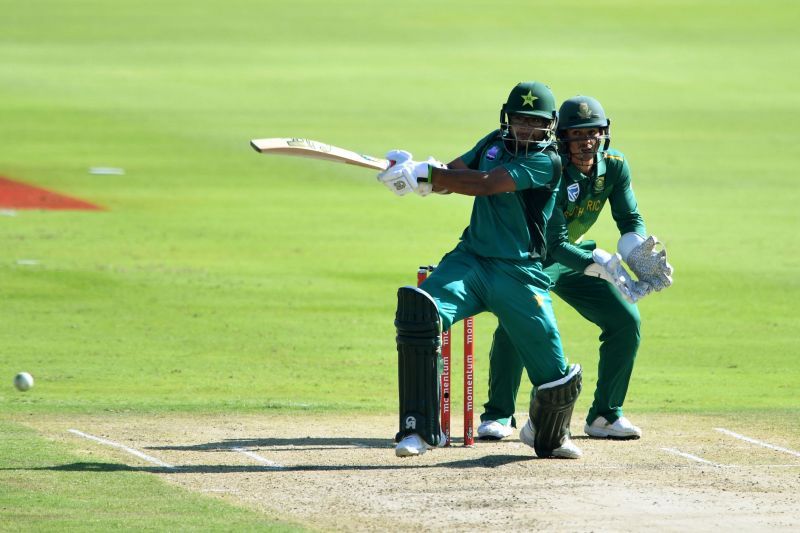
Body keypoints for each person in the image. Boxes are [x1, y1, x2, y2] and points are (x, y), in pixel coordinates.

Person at [376, 82, 643, 459]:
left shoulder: (547, 161)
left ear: (549, 127)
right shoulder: (492, 143)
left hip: (521, 271)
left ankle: (547, 434)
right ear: (507, 119)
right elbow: (455, 174)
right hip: (471, 260)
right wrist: (416, 176)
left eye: (534, 123)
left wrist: (431, 176)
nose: (526, 130)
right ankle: (419, 429)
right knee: (422, 315)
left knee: (557, 381)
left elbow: (487, 184)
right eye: (519, 121)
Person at [476, 95, 673, 442]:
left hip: (573, 255)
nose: (586, 143)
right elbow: (553, 243)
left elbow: (629, 218)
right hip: (530, 256)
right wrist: (600, 263)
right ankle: (499, 414)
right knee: (517, 321)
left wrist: (634, 251)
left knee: (626, 320)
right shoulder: (549, 165)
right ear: (562, 138)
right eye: (577, 136)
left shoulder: (613, 165)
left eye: (593, 134)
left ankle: (605, 415)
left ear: (604, 134)